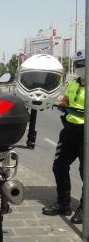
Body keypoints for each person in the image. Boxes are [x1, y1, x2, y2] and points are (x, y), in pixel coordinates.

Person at [42, 49, 86, 224]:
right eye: (77, 65)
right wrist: (62, 103)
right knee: (59, 166)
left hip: (86, 134)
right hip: (69, 132)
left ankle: (84, 208)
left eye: (82, 64)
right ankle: (63, 203)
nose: (79, 68)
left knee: (86, 173)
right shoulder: (74, 83)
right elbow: (67, 99)